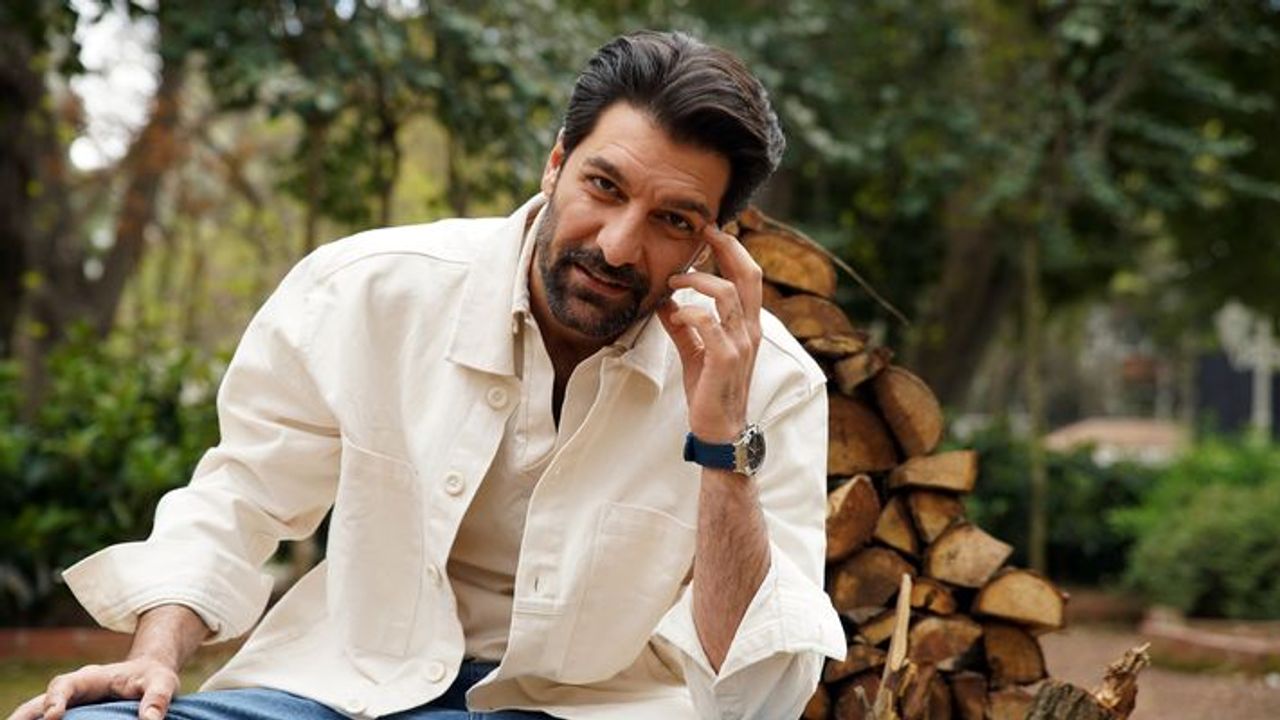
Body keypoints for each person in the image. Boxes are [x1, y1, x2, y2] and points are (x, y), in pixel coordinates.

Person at [10, 30, 844, 720]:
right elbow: (240, 498)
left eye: (673, 220)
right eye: (603, 186)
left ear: (715, 242)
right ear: (555, 164)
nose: (619, 246)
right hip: (340, 688)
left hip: (592, 709)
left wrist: (721, 440)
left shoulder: (771, 384)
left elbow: (756, 693)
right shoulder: (368, 290)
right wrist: (153, 657)